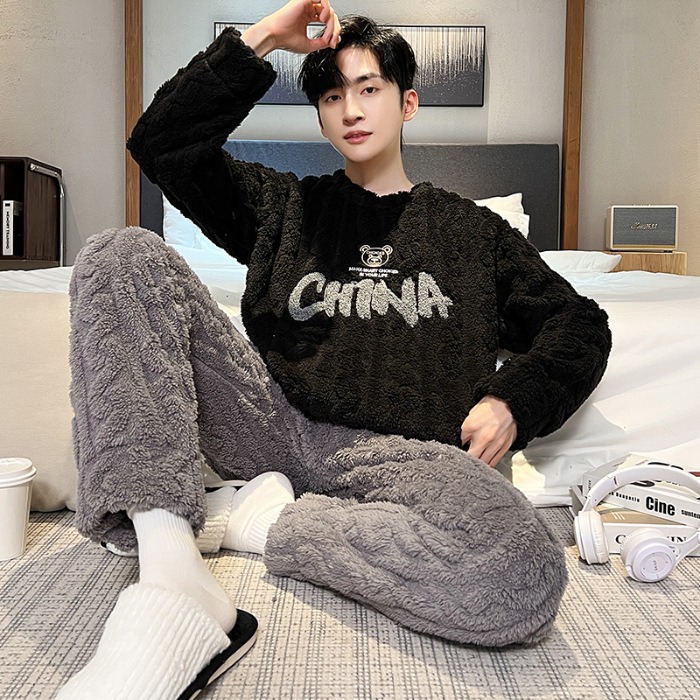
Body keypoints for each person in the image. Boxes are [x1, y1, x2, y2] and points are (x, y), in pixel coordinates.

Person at [57, 1, 611, 698]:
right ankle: (170, 571)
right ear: (320, 115)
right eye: (331, 95)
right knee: (119, 256)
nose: (351, 109)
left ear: (408, 102)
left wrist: (512, 401)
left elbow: (580, 324)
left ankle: (257, 518)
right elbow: (162, 144)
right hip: (270, 423)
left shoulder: (473, 235)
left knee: (523, 569)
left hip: (405, 460)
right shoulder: (284, 208)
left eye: (369, 88)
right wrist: (264, 38)